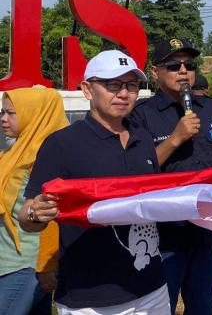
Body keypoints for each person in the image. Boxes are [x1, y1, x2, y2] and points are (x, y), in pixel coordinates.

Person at [20, 51, 170, 314]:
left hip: (151, 286)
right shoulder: (61, 144)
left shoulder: (143, 139)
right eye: (113, 85)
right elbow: (27, 216)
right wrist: (36, 211)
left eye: (131, 85)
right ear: (88, 90)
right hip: (91, 296)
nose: (124, 94)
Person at [129, 39, 212, 314]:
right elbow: (136, 172)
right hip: (164, 237)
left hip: (207, 232)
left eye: (189, 65)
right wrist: (174, 139)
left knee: (202, 306)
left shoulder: (211, 109)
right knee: (160, 308)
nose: (183, 71)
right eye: (174, 65)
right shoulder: (141, 115)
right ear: (155, 72)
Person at [0, 88, 65, 315]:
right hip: (9, 262)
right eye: (2, 112)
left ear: (33, 114)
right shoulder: (14, 153)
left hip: (27, 266)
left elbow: (51, 214)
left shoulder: (46, 157)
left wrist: (46, 266)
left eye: (10, 113)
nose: (3, 119)